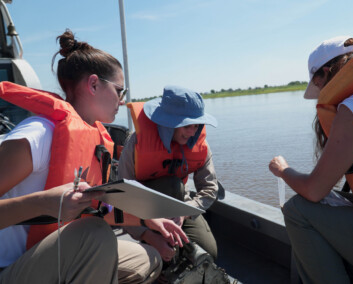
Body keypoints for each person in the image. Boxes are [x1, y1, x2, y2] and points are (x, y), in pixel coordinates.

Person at [0, 29, 188, 284]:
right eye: (120, 90)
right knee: (95, 234)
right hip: (10, 268)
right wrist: (44, 203)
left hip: (57, 249)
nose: (122, 101)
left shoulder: (95, 140)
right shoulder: (37, 135)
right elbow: (77, 218)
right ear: (94, 84)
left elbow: (92, 209)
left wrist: (149, 220)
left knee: (148, 260)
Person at [269, 36, 353, 284]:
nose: (318, 93)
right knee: (335, 199)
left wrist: (283, 170)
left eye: (316, 84)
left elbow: (314, 190)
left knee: (298, 209)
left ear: (325, 73)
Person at [118, 86, 219, 262]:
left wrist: (185, 214)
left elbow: (210, 189)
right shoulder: (136, 143)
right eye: (187, 125)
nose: (193, 131)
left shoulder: (200, 144)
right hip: (146, 214)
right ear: (167, 122)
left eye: (197, 125)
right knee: (171, 185)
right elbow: (123, 198)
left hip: (182, 206)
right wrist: (149, 236)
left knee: (209, 253)